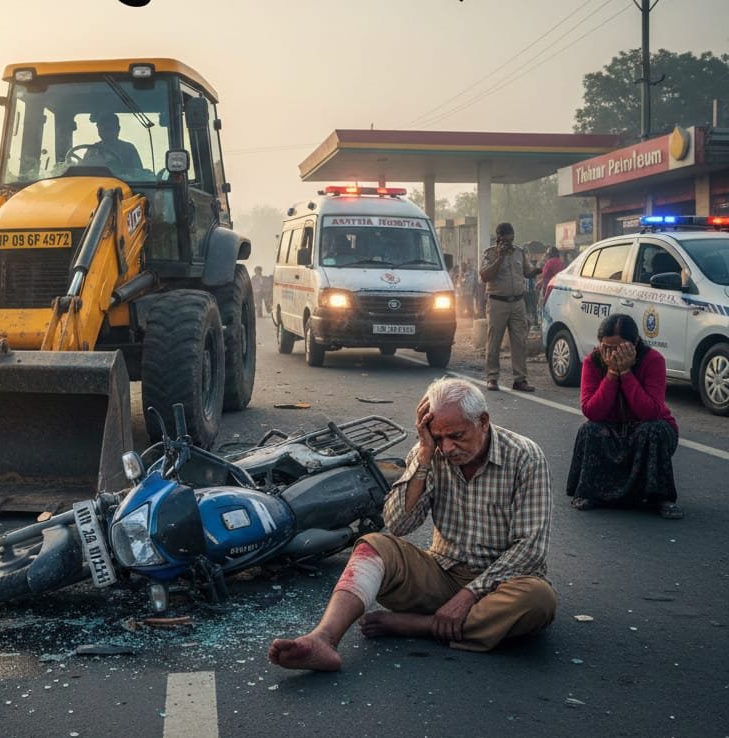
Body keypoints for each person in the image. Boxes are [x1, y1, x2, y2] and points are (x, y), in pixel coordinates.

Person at [268, 377, 556, 671]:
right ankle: (323, 638)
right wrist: (424, 457)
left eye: (456, 436)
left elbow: (530, 549)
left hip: (502, 585)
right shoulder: (431, 454)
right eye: (438, 437)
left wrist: (470, 594)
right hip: (443, 573)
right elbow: (398, 524)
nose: (448, 447)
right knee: (374, 547)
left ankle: (425, 625)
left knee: (538, 599)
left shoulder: (524, 456)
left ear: (483, 421)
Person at [566, 313, 683, 519]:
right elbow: (592, 411)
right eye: (607, 348)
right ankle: (589, 492)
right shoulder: (592, 362)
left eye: (619, 348)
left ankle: (661, 498)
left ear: (634, 343)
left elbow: (650, 412)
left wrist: (627, 374)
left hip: (646, 428)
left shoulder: (653, 360)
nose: (612, 354)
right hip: (612, 429)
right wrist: (611, 374)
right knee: (589, 429)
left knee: (653, 429)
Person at [479, 222, 538, 392]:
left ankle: (520, 380)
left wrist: (537, 270)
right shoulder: (490, 254)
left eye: (511, 239)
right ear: (498, 238)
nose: (509, 243)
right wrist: (500, 258)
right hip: (498, 303)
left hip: (518, 303)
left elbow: (526, 272)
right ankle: (492, 378)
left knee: (519, 342)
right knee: (494, 342)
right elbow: (484, 276)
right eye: (505, 239)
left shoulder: (519, 252)